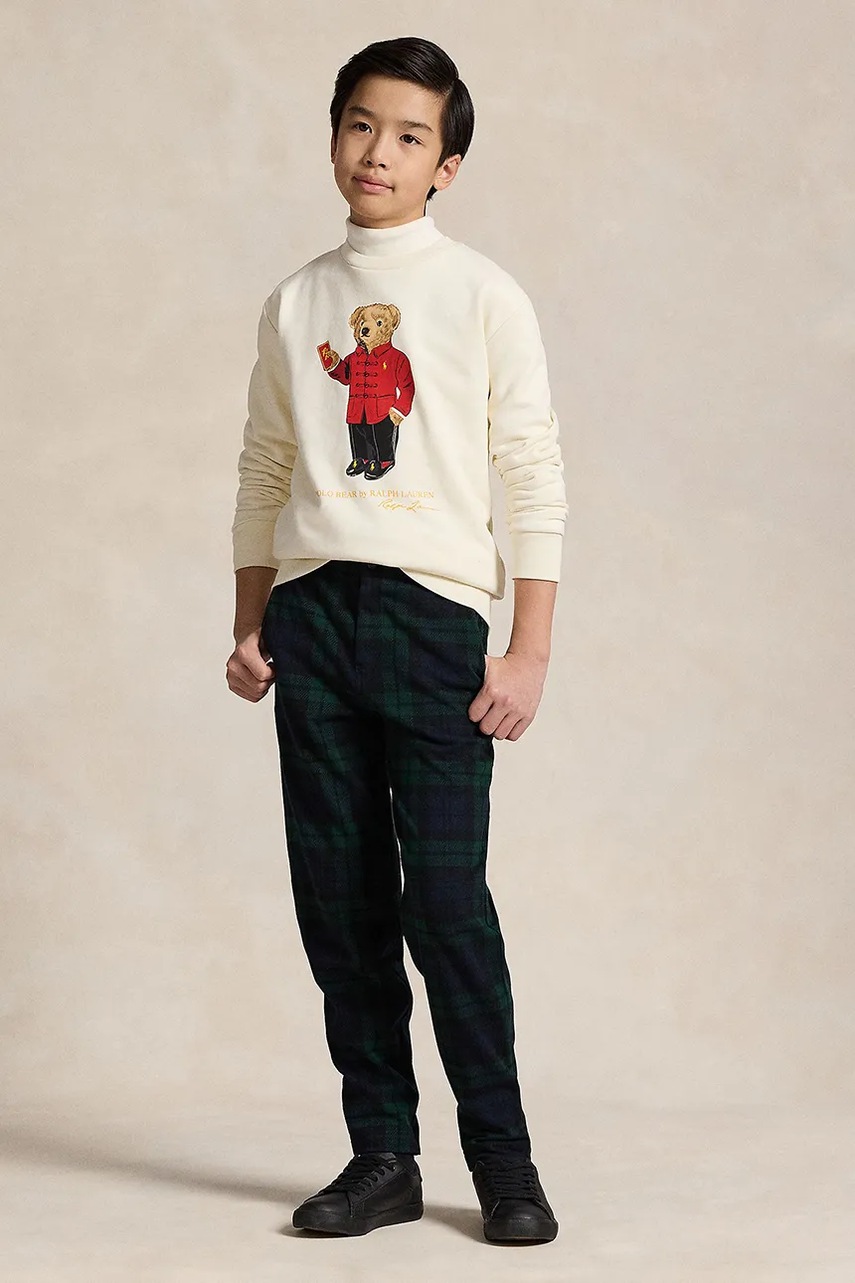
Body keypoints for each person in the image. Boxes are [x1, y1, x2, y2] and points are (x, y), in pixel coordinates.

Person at [226, 35, 568, 1246]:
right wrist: (250, 616)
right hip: (314, 616)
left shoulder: (482, 295)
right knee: (342, 900)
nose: (380, 151)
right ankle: (384, 1155)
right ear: (335, 136)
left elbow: (531, 468)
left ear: (446, 167)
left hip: (432, 622)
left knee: (447, 903)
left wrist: (527, 649)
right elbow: (267, 462)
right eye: (362, 124)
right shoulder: (296, 301)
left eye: (411, 136)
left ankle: (506, 1162)